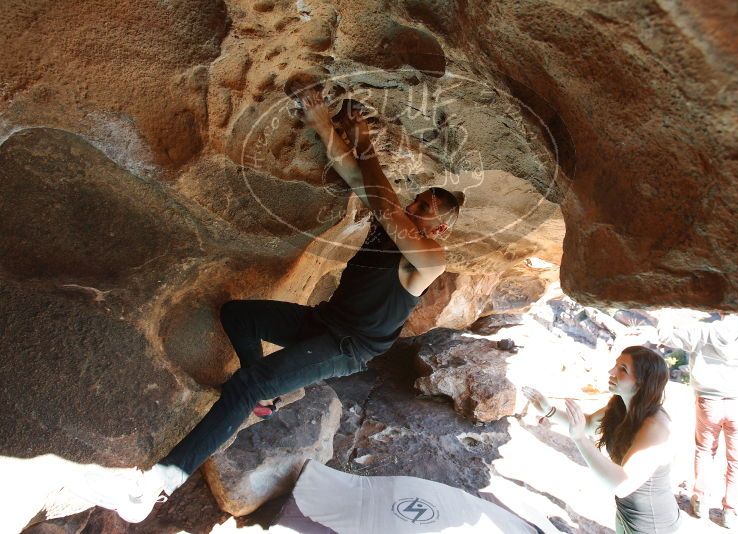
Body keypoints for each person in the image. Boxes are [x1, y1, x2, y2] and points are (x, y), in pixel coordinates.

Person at [77, 92, 464, 523]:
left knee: (245, 384)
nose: (413, 208)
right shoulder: (390, 225)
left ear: (441, 227)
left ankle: (156, 485)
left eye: (424, 209)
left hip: (347, 346)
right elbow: (354, 174)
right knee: (237, 315)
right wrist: (323, 124)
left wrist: (364, 138)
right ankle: (263, 397)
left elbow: (385, 201)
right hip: (325, 321)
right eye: (415, 201)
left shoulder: (430, 259)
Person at [524, 346, 681, 534]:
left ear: (642, 382)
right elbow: (589, 423)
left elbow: (622, 484)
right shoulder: (622, 405)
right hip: (626, 514)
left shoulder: (656, 428)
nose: (611, 372)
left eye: (623, 369)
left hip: (652, 525)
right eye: (616, 365)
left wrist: (580, 439)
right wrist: (549, 411)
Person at [652, 312, 738, 529]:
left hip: (709, 401)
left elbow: (667, 336)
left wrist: (664, 312)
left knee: (705, 450)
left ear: (721, 311)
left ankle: (701, 501)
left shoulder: (703, 331)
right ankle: (730, 510)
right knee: (737, 458)